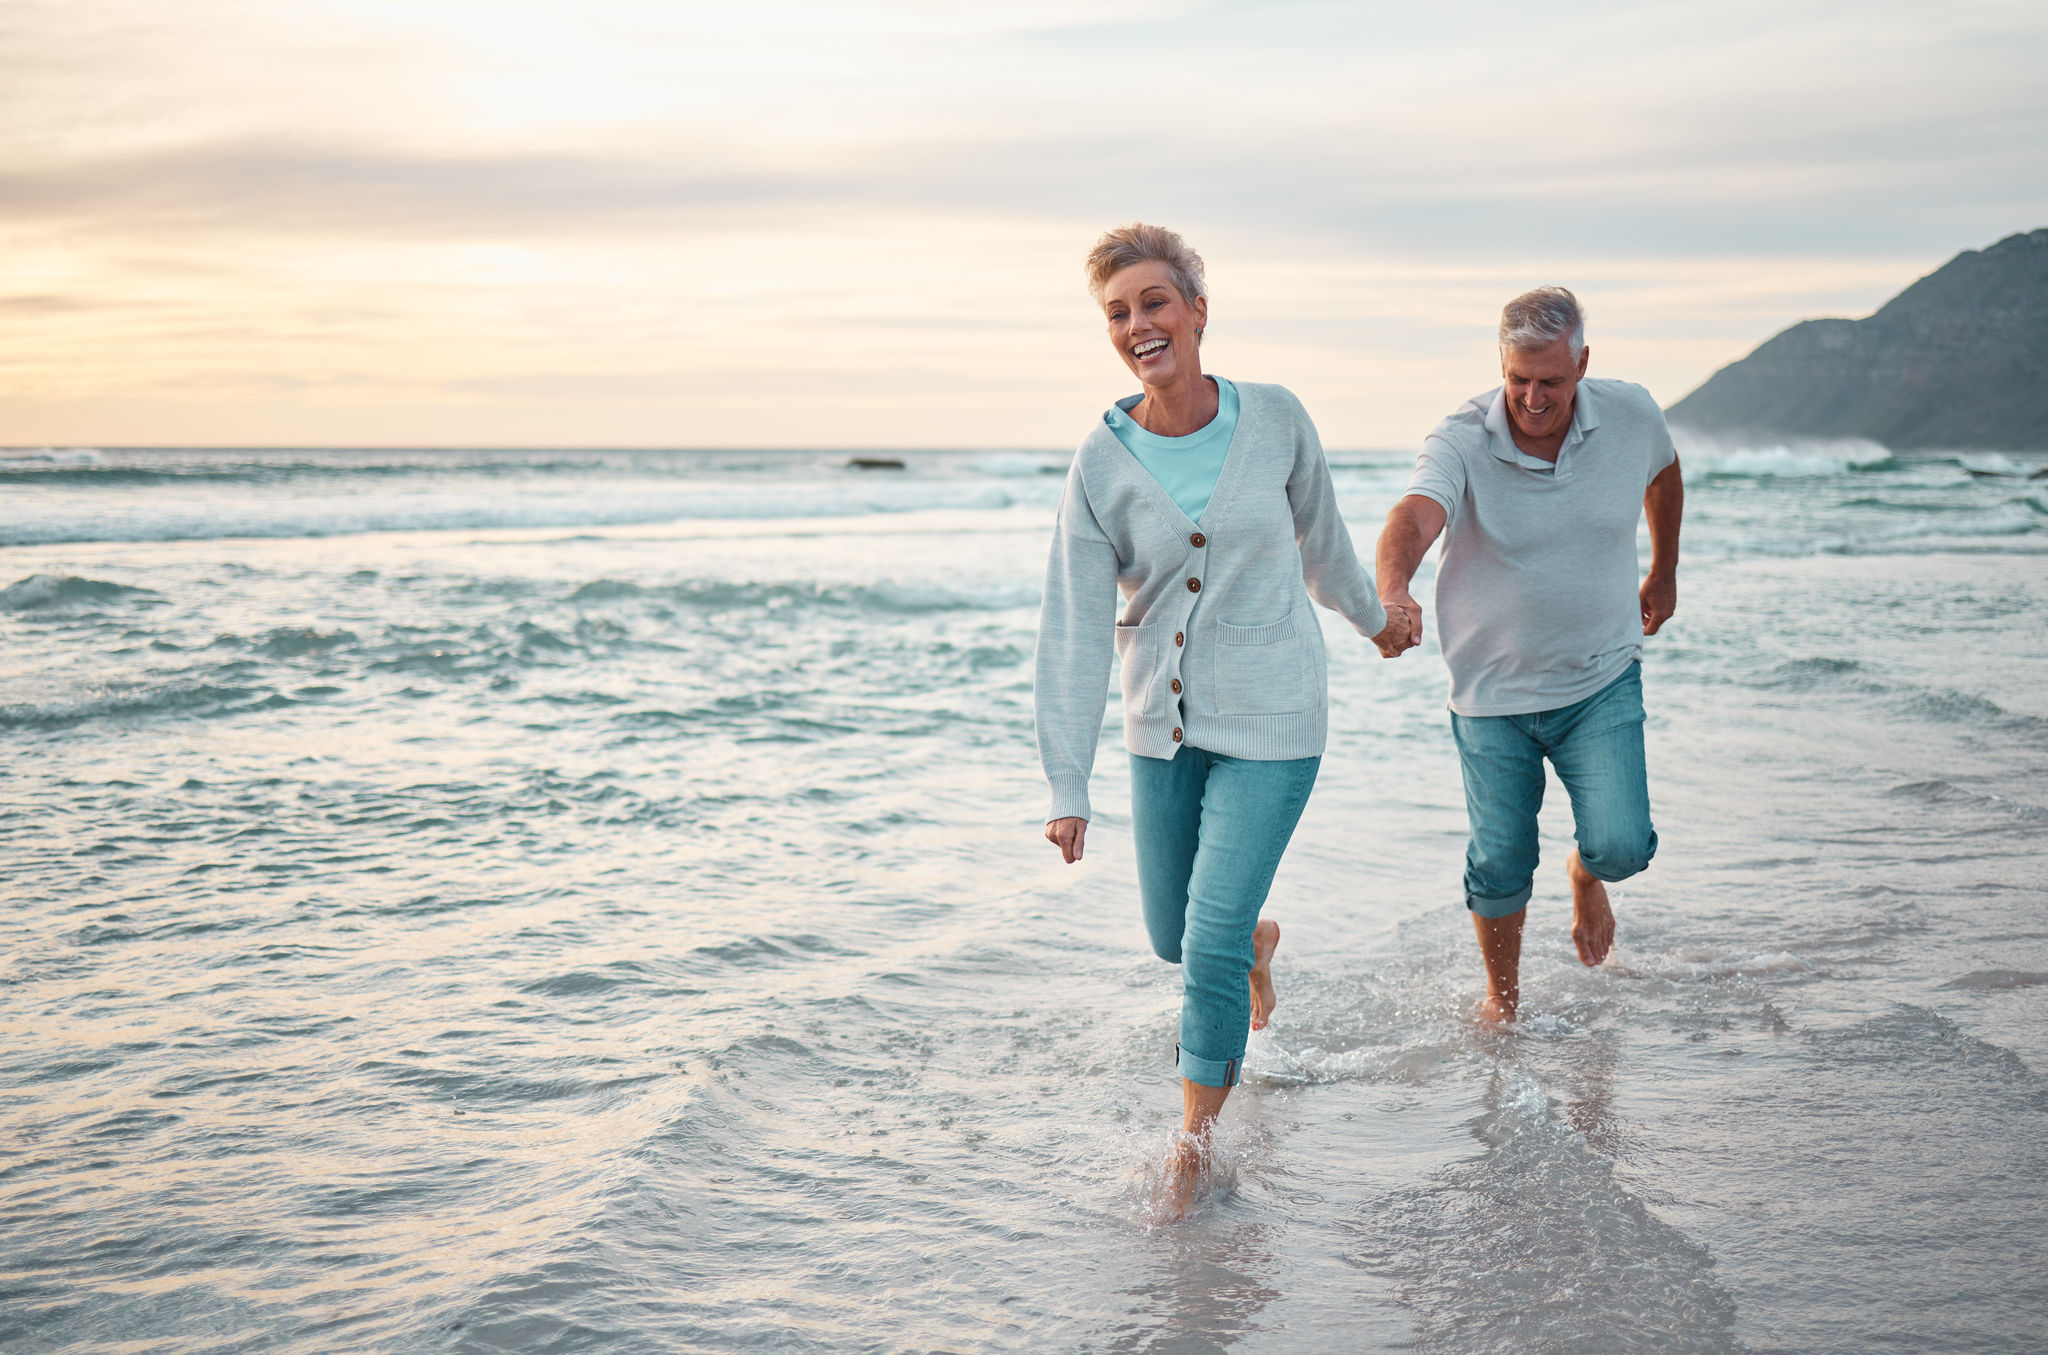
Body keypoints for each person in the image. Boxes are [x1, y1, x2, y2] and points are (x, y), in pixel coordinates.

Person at [1036, 223, 1411, 1212]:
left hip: (1277, 719)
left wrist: (1378, 622)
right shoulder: (1097, 462)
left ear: (1197, 310)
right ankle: (1253, 942)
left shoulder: (1277, 419)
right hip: (1161, 735)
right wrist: (1064, 783)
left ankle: (1191, 1148)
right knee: (1179, 936)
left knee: (1197, 948)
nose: (1136, 325)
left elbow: (1326, 549)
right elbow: (1073, 629)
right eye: (1116, 312)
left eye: (1153, 302)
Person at [1374, 287, 1684, 1023]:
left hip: (1600, 677)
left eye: (1551, 380)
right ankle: (1503, 1003)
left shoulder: (1631, 412)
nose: (1533, 398)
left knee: (1621, 846)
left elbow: (1664, 473)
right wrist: (1394, 588)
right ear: (1501, 366)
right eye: (1518, 380)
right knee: (1501, 862)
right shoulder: (1460, 437)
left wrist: (1664, 569)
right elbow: (1414, 515)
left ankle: (1587, 873)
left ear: (1583, 363)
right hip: (1491, 695)